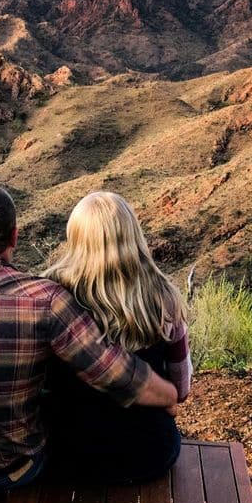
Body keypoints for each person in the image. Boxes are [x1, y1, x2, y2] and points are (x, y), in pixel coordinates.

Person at [0, 185, 178, 489]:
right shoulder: (44, 299)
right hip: (15, 470)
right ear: (14, 237)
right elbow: (114, 373)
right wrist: (169, 396)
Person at [42, 191, 192, 484]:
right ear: (133, 235)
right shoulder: (165, 299)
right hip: (148, 454)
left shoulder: (51, 294)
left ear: (75, 238)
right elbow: (182, 388)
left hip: (67, 453)